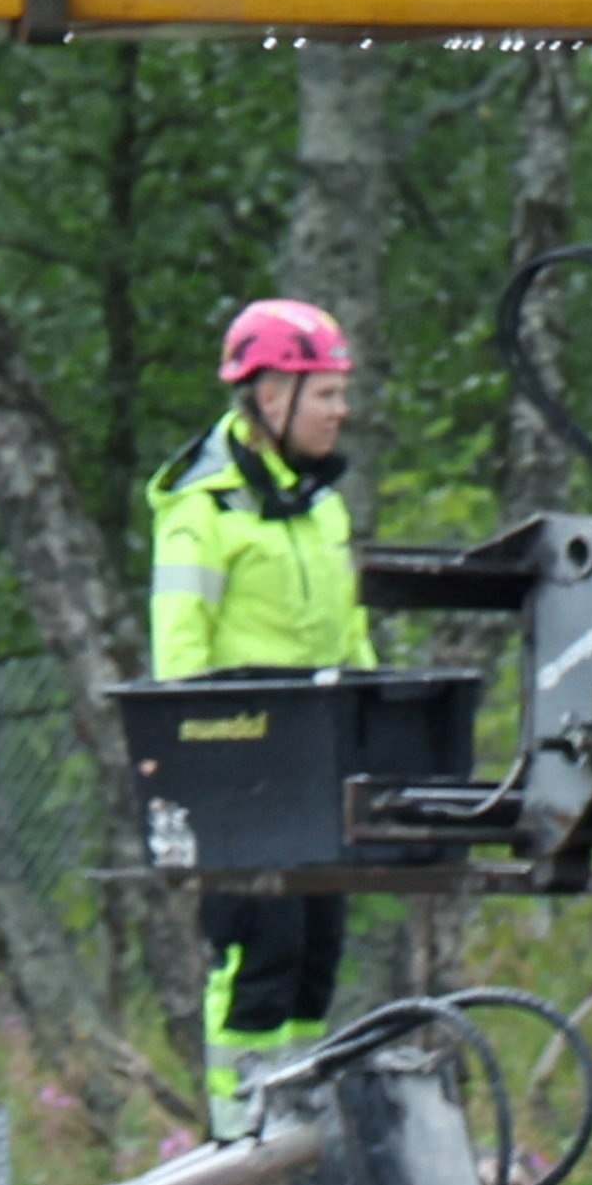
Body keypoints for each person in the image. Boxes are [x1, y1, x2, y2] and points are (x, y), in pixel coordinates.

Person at [143, 295, 372, 1123]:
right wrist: (210, 774)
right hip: (241, 774)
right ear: (271, 396)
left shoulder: (322, 504)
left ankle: (299, 1122)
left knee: (316, 950)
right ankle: (239, 1130)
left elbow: (351, 638)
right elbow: (180, 658)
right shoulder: (201, 513)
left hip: (316, 768)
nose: (341, 410)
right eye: (325, 394)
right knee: (257, 954)